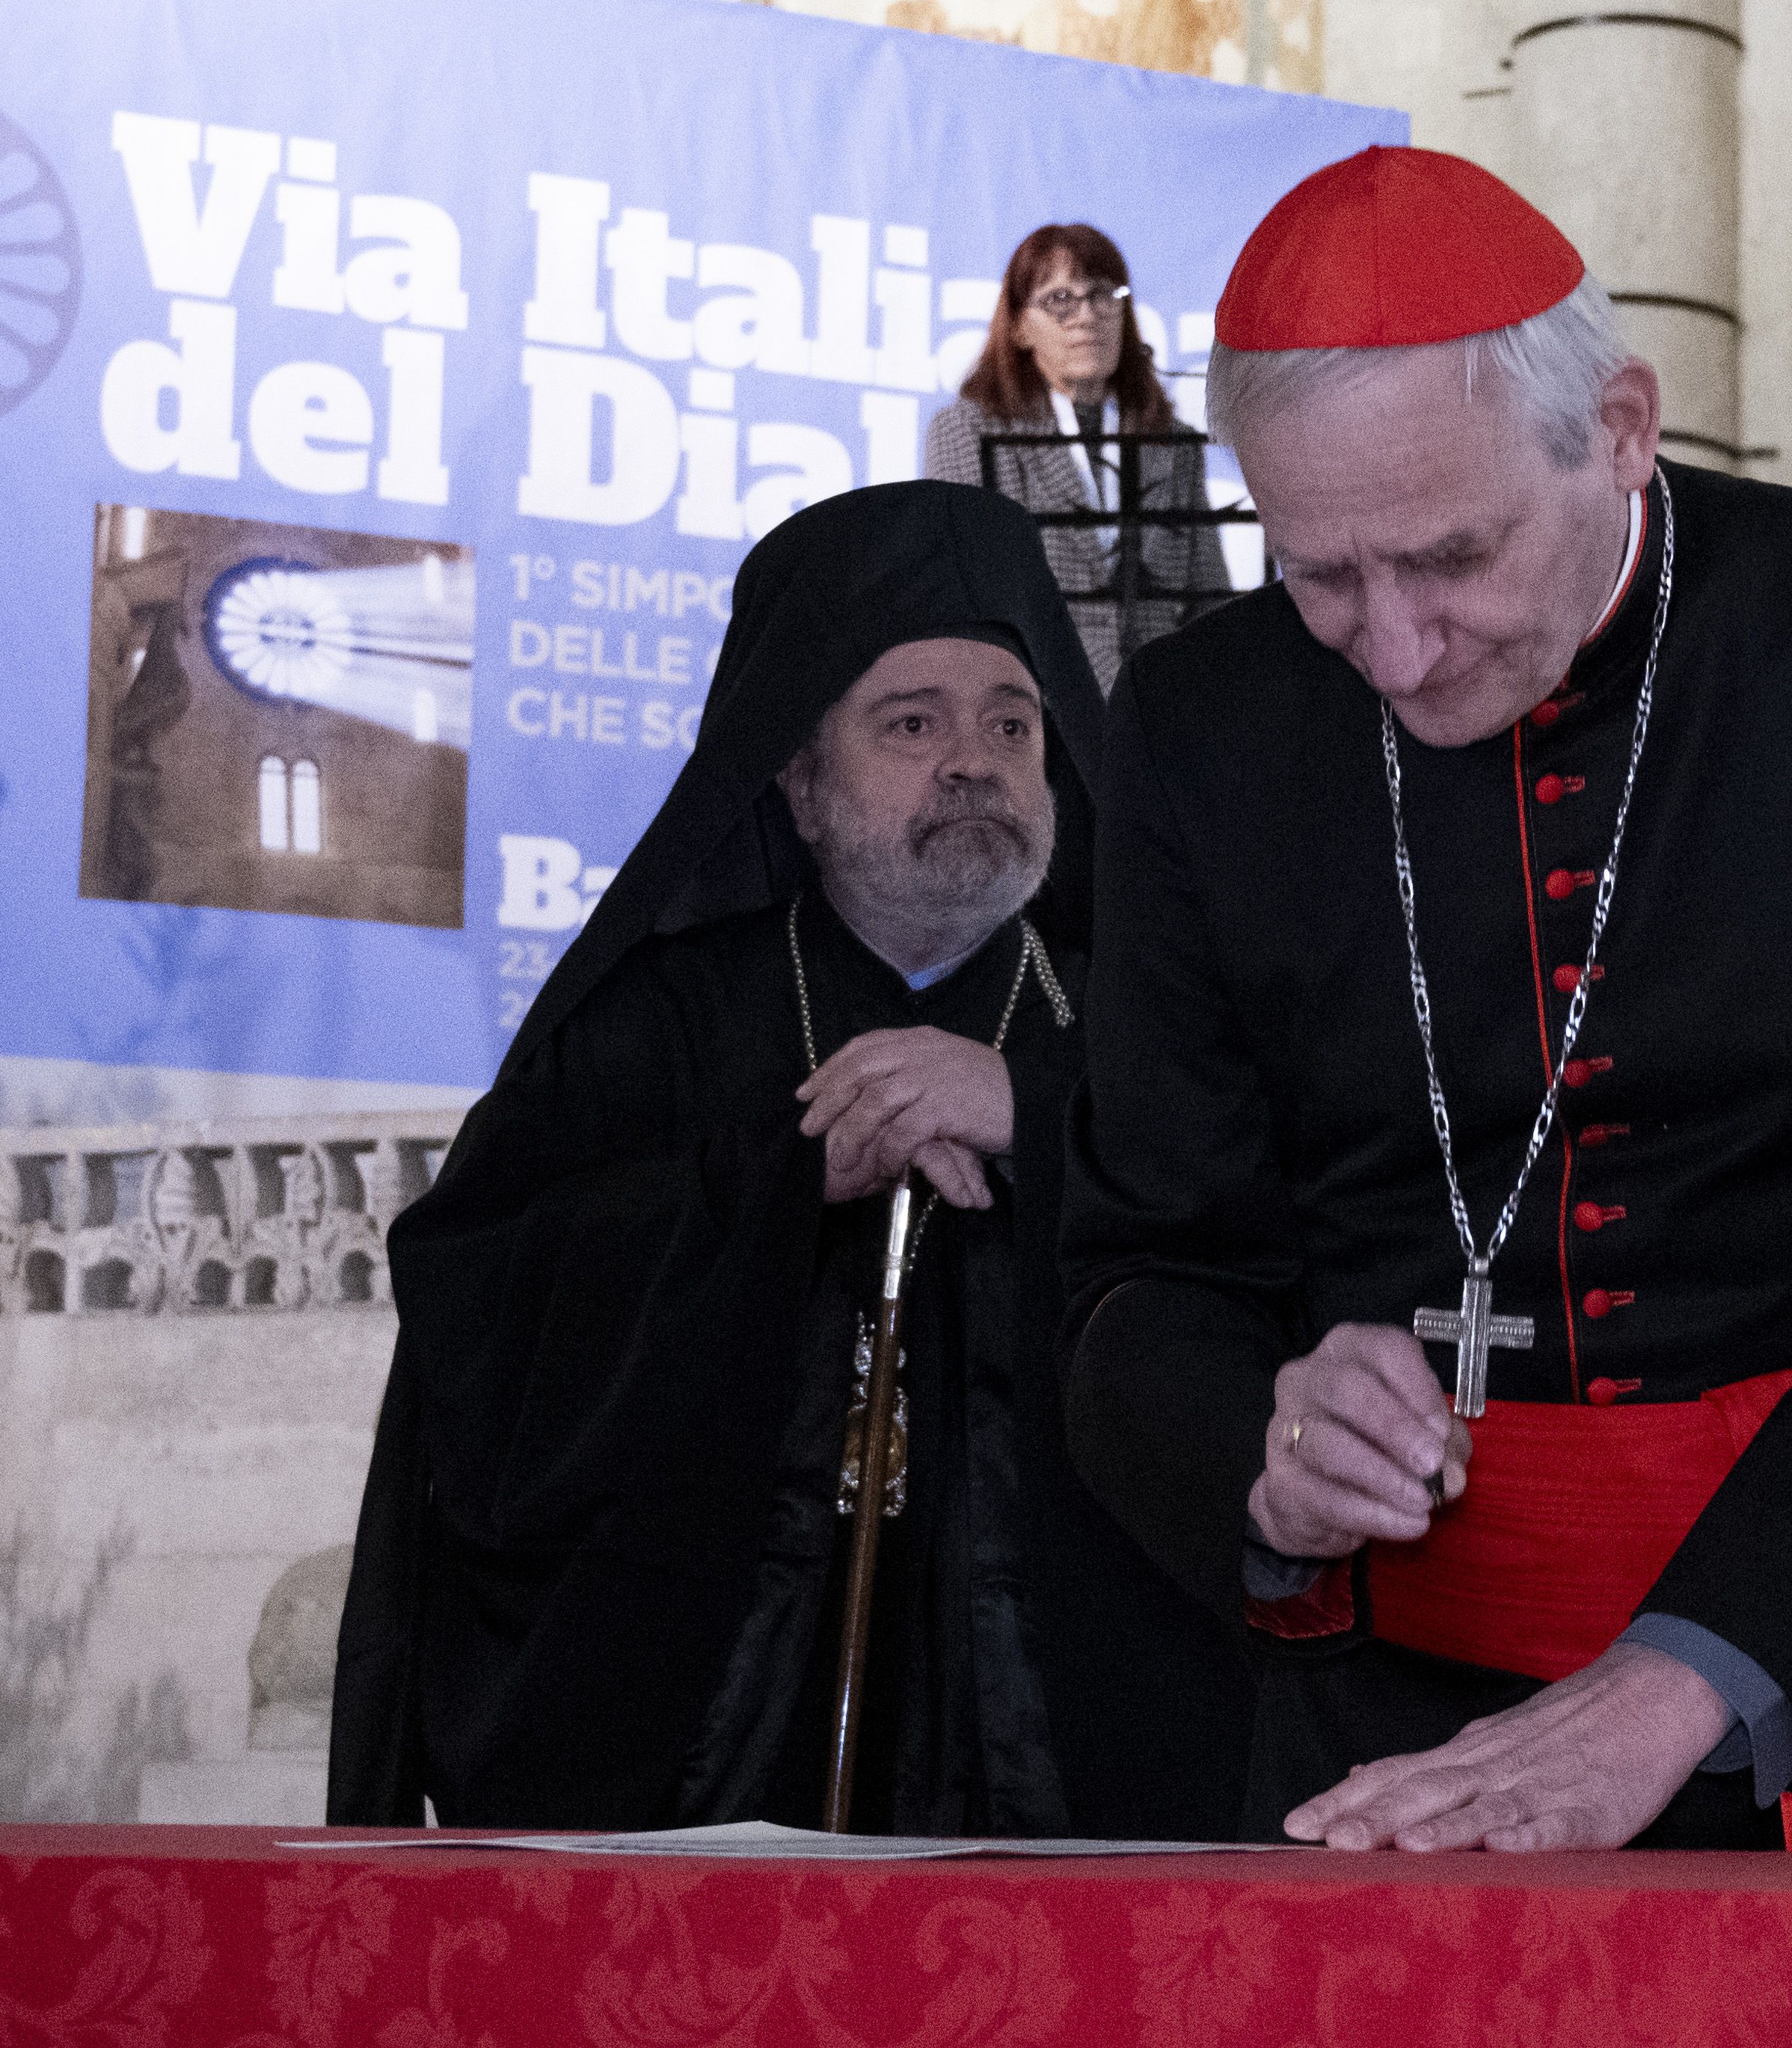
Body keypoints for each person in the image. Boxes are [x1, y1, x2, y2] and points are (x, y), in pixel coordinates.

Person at [1058, 146, 1792, 1860]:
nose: (1395, 647)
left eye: (1449, 555)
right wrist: (1261, 1448)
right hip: (1395, 1727)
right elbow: (1141, 1268)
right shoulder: (1204, 724)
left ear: (1624, 428)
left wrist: (1688, 1671)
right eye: (1320, 575)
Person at [328, 480, 1246, 1839]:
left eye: (1011, 722)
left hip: (1070, 1742)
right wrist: (772, 1184)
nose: (973, 761)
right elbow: (479, 1302)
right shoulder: (658, 1020)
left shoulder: (1148, 1025)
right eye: (911, 723)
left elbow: (1281, 1249)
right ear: (801, 784)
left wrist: (1041, 1112)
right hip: (706, 1745)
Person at [926, 222, 1230, 693]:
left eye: (1102, 294)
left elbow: (1210, 602)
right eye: (1060, 300)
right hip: (1033, 707)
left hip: (1159, 706)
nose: (1086, 315)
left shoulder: (1172, 444)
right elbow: (962, 602)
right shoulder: (969, 432)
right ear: (1019, 327)